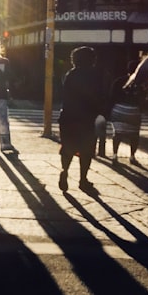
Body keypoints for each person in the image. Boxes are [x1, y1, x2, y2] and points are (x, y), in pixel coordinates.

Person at [58, 46, 103, 194]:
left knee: (67, 147)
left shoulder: (69, 75)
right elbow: (100, 97)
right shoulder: (96, 76)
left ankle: (65, 171)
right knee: (87, 150)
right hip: (87, 119)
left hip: (68, 117)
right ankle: (83, 179)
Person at [108, 60, 144, 163]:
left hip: (119, 109)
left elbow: (112, 95)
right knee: (134, 135)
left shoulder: (119, 81)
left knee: (118, 133)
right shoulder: (140, 82)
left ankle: (115, 155)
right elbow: (143, 98)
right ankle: (132, 156)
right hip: (133, 110)